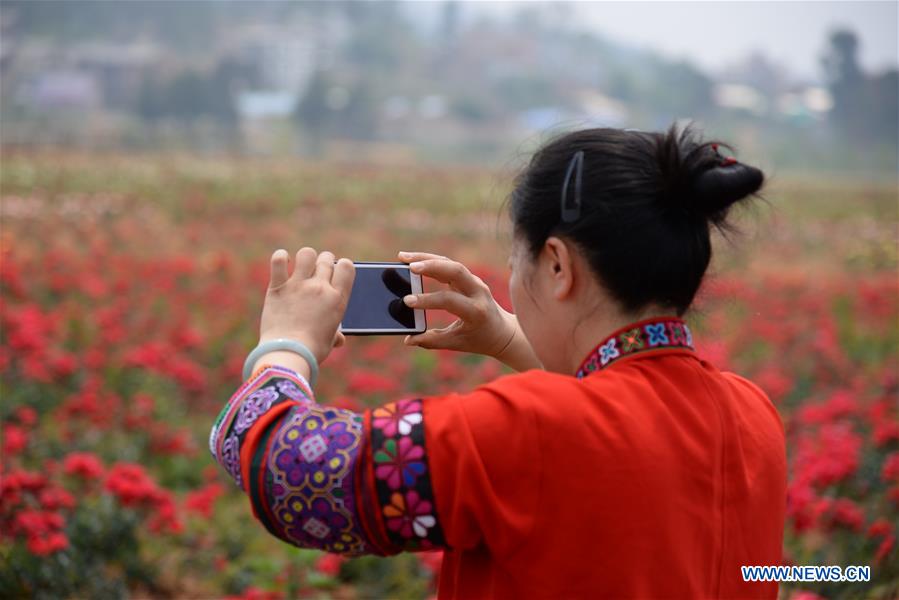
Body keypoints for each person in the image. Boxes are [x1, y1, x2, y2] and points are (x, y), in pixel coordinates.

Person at [209, 123, 786, 599]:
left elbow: (292, 476)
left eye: (516, 258)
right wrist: (510, 337)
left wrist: (283, 347)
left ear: (557, 265)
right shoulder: (752, 415)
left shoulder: (529, 427)